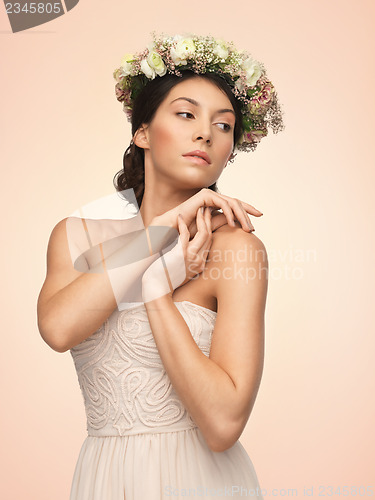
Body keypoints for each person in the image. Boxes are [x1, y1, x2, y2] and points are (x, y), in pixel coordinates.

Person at [37, 32, 285, 499]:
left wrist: (155, 289)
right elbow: (58, 328)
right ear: (143, 132)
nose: (205, 133)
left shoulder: (235, 249)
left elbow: (222, 424)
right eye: (186, 114)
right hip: (106, 479)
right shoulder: (77, 235)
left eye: (224, 125)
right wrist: (161, 235)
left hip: (200, 481)